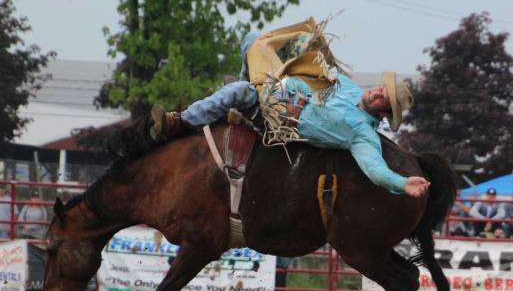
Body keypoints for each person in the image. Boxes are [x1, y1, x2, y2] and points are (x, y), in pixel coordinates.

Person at [149, 30, 429, 199]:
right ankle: (238, 102)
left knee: (237, 91)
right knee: (253, 41)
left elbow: (376, 171)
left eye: (383, 97)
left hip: (275, 117)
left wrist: (403, 184)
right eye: (382, 88)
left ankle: (179, 122)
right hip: (277, 84)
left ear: (383, 112)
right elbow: (321, 71)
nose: (377, 92)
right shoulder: (350, 88)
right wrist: (310, 47)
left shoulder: (363, 136)